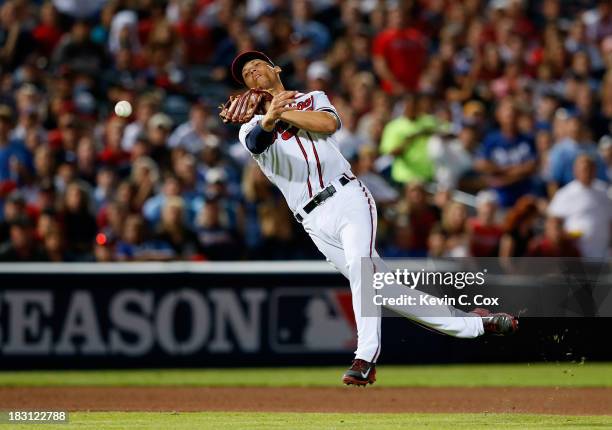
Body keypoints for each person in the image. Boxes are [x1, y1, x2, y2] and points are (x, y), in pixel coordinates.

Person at [231, 50, 518, 387]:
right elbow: (256, 142)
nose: (252, 73)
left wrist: (283, 111)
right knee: (385, 289)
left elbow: (328, 125)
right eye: (246, 74)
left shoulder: (312, 98)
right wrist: (269, 118)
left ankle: (365, 358)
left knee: (364, 274)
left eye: (257, 66)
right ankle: (476, 326)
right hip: (312, 222)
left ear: (275, 68)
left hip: (347, 197)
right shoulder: (251, 125)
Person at [548, 154, 612, 259]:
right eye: (584, 169)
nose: (587, 172)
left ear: (595, 170)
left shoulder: (604, 191)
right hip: (576, 258)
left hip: (602, 256)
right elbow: (553, 223)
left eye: (590, 168)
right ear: (575, 171)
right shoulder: (565, 194)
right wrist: (562, 236)